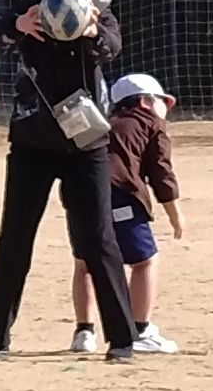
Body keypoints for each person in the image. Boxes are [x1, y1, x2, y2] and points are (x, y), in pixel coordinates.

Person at [0, 0, 140, 360]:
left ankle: (122, 340)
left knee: (99, 238)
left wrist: (92, 32)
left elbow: (112, 45)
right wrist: (18, 24)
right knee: (15, 237)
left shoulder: (100, 17)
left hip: (86, 145)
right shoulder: (39, 8)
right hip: (32, 143)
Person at [68, 72, 186, 353]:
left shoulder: (100, 122)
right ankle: (139, 330)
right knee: (144, 262)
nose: (165, 109)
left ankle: (84, 333)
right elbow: (161, 171)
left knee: (85, 263)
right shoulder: (150, 123)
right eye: (161, 101)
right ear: (145, 101)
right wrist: (175, 214)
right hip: (119, 194)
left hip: (78, 194)